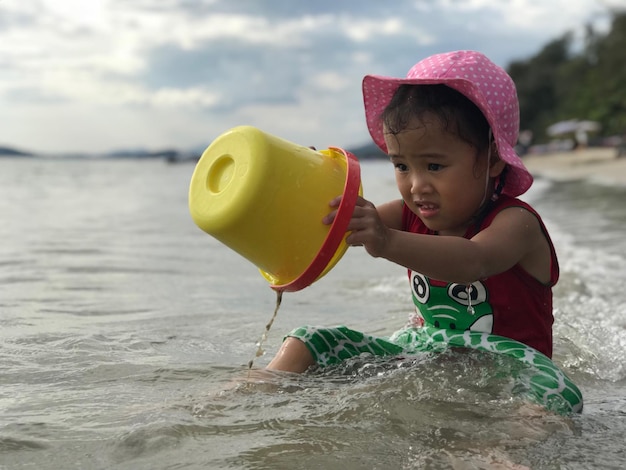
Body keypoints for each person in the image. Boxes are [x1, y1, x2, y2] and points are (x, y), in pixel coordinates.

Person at [266, 50, 559, 374]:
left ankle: (527, 426)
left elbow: (474, 261)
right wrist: (310, 187)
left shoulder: (517, 223)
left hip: (518, 367)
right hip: (427, 351)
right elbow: (335, 223)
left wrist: (388, 242)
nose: (417, 185)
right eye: (402, 166)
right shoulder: (409, 216)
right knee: (306, 342)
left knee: (547, 403)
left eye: (434, 165)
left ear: (492, 159)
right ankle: (249, 396)